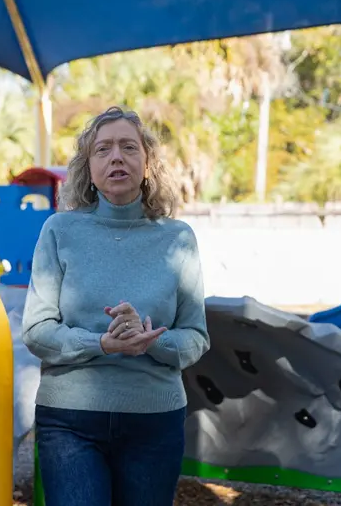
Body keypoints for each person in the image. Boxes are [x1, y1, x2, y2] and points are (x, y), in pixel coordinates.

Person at [21, 106, 210, 506]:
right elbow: (37, 331)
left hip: (154, 421)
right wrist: (102, 344)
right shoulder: (59, 230)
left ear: (147, 165)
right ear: (88, 169)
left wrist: (150, 341)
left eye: (129, 147)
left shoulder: (178, 237)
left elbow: (195, 337)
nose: (116, 158)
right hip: (70, 421)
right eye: (103, 150)